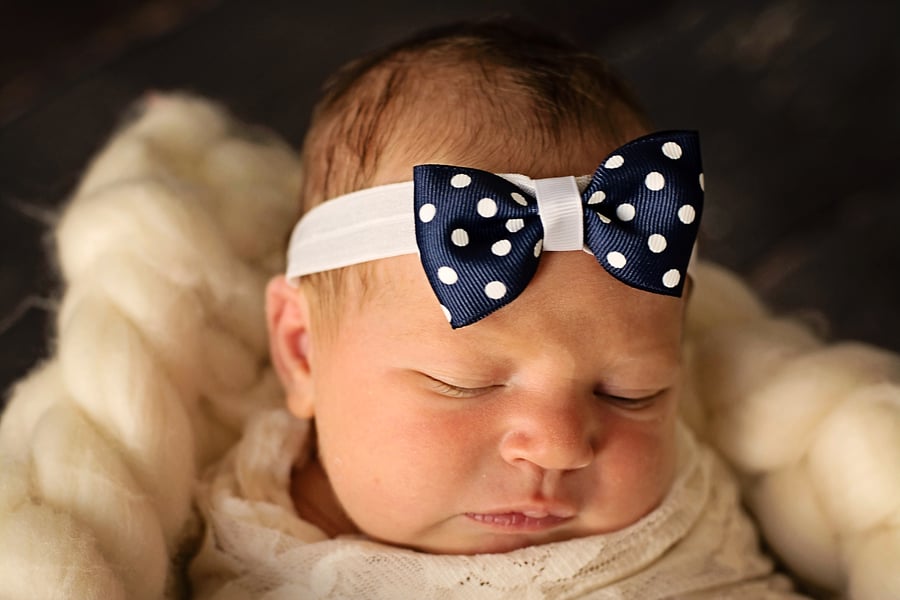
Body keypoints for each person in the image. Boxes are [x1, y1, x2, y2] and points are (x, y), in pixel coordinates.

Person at [187, 19, 805, 598]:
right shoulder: (249, 541)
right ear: (302, 351)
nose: (559, 446)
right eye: (465, 383)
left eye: (632, 393)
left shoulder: (693, 532)